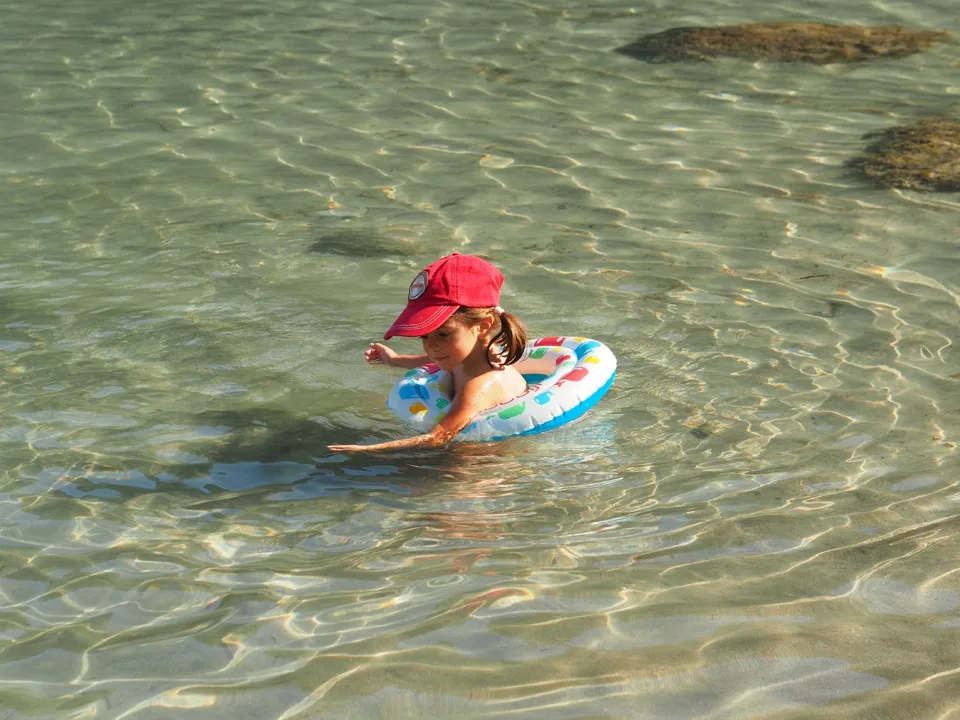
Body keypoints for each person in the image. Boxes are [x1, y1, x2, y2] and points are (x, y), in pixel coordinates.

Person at [329, 253, 528, 453]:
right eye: (424, 336)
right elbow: (432, 360)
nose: (432, 346)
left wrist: (369, 449)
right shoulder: (469, 356)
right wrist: (394, 360)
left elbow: (438, 437)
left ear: (483, 326)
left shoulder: (481, 384)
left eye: (443, 334)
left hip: (488, 458)